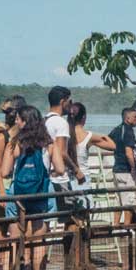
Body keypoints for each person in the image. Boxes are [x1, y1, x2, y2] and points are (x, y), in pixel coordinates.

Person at [0, 106, 55, 270]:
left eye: (18, 119)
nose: (15, 122)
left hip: (18, 194)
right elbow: (59, 168)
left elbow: (5, 171)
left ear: (24, 122)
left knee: (13, 238)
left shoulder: (14, 143)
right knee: (38, 239)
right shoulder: (48, 144)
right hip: (41, 193)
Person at [43, 87, 78, 225]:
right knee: (71, 218)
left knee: (45, 219)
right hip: (60, 178)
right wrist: (77, 170)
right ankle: (70, 246)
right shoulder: (61, 123)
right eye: (70, 101)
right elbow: (62, 152)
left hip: (46, 176)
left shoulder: (44, 120)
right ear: (63, 101)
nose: (71, 105)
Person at [107, 105, 136, 225]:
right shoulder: (128, 131)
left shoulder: (116, 129)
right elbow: (128, 152)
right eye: (135, 117)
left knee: (118, 200)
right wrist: (134, 167)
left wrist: (118, 152)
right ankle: (127, 228)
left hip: (116, 169)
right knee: (129, 201)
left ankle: (115, 226)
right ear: (128, 119)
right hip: (126, 170)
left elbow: (108, 141)